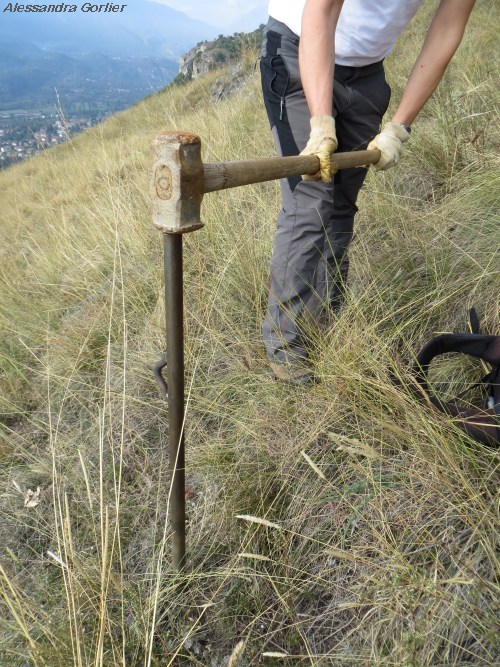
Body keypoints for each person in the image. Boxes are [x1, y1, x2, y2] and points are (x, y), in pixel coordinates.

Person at [260, 0, 476, 383]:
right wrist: (321, 122)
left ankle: (324, 325)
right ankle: (286, 353)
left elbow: (446, 30)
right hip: (298, 49)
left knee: (340, 207)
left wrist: (399, 127)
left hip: (366, 75)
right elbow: (321, 12)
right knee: (311, 203)